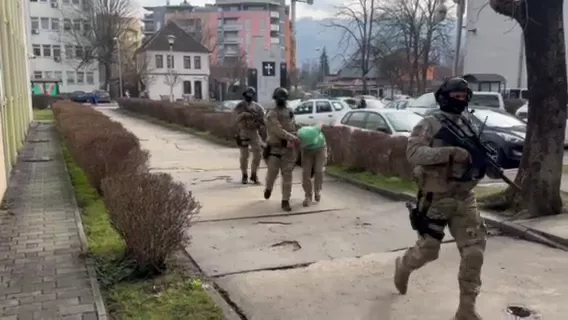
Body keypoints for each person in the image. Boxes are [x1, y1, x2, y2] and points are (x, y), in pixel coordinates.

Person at [394, 77, 498, 320]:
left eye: (464, 97)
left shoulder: (470, 124)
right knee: (428, 251)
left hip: (465, 197)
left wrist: (485, 163)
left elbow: (478, 154)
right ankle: (404, 266)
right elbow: (413, 153)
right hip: (436, 197)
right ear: (444, 97)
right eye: (456, 96)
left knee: (474, 252)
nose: (460, 101)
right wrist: (450, 153)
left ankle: (466, 309)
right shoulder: (429, 123)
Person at [264, 87, 299, 211]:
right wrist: (292, 138)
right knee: (272, 175)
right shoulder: (271, 114)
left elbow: (292, 125)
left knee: (287, 176)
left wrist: (296, 135)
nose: (281, 100)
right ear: (275, 98)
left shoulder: (289, 111)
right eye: (279, 97)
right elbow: (277, 130)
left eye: (283, 97)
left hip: (288, 150)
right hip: (275, 149)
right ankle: (268, 188)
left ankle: (285, 200)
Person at [233, 87, 265, 184]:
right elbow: (235, 119)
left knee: (258, 154)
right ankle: (244, 174)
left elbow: (263, 119)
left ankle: (254, 174)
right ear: (245, 94)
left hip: (254, 132)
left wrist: (259, 123)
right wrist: (244, 115)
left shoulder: (258, 107)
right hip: (243, 131)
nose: (250, 96)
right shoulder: (240, 106)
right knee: (244, 155)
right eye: (248, 94)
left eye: (252, 94)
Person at [297, 125, 327, 206]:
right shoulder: (300, 135)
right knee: (306, 173)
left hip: (320, 148)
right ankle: (308, 196)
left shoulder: (315, 137)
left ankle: (317, 191)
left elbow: (320, 125)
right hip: (307, 152)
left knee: (319, 170)